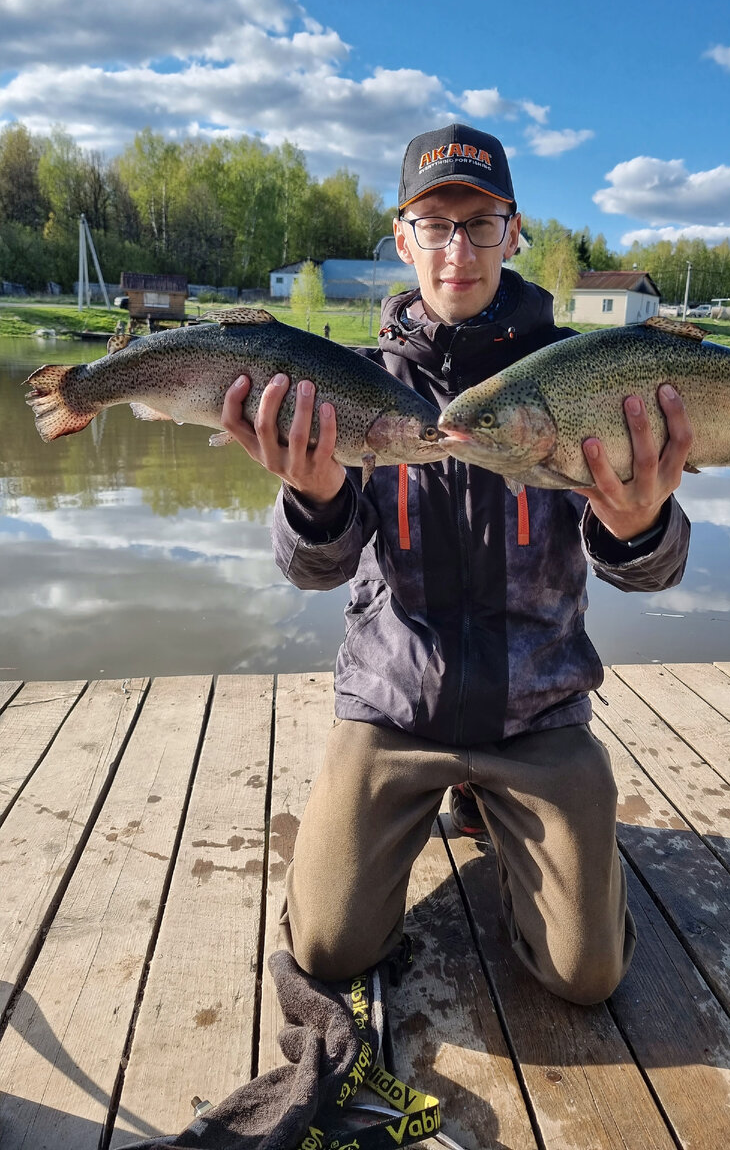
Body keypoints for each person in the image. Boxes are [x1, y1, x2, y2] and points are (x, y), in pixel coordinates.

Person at [221, 123, 693, 1005]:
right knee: (324, 948)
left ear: (513, 233)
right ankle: (456, 810)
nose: (458, 249)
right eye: (435, 225)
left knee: (587, 976)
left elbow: (649, 573)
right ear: (402, 239)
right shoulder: (348, 384)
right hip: (395, 709)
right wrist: (317, 499)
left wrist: (640, 523)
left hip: (540, 715)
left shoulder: (577, 376)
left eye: (480, 224)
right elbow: (313, 571)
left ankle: (506, 815)